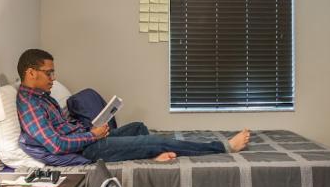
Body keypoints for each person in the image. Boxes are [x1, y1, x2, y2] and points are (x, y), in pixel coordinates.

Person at [16, 48, 251, 164]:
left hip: (87, 138)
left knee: (138, 126)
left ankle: (152, 155)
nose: (53, 78)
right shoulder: (29, 105)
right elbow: (56, 145)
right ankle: (223, 147)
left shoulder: (42, 97)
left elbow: (62, 129)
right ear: (30, 72)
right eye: (49, 73)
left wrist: (92, 129)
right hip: (86, 149)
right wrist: (92, 136)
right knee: (158, 140)